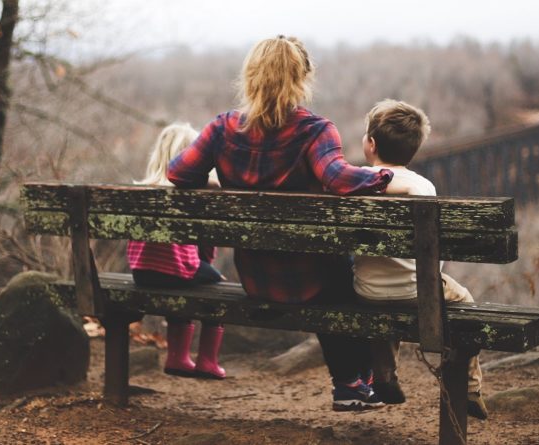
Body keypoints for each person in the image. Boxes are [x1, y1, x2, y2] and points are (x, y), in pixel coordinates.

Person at [167, 36, 394, 411]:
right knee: (347, 273)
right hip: (313, 281)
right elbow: (337, 178)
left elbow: (177, 173)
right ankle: (353, 382)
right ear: (303, 78)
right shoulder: (315, 130)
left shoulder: (222, 128)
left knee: (336, 270)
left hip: (256, 279)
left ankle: (356, 383)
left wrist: (212, 181)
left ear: (251, 77)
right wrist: (383, 176)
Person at [354, 99, 489, 419]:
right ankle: (470, 386)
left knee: (383, 298)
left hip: (366, 291)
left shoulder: (355, 181)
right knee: (465, 300)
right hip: (419, 291)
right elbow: (433, 253)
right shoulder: (423, 187)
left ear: (371, 144)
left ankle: (384, 375)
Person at [127, 122, 227, 380]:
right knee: (218, 287)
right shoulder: (191, 193)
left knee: (186, 280)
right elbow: (205, 244)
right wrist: (207, 265)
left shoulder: (143, 190)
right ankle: (207, 361)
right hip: (177, 271)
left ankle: (178, 357)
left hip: (141, 273)